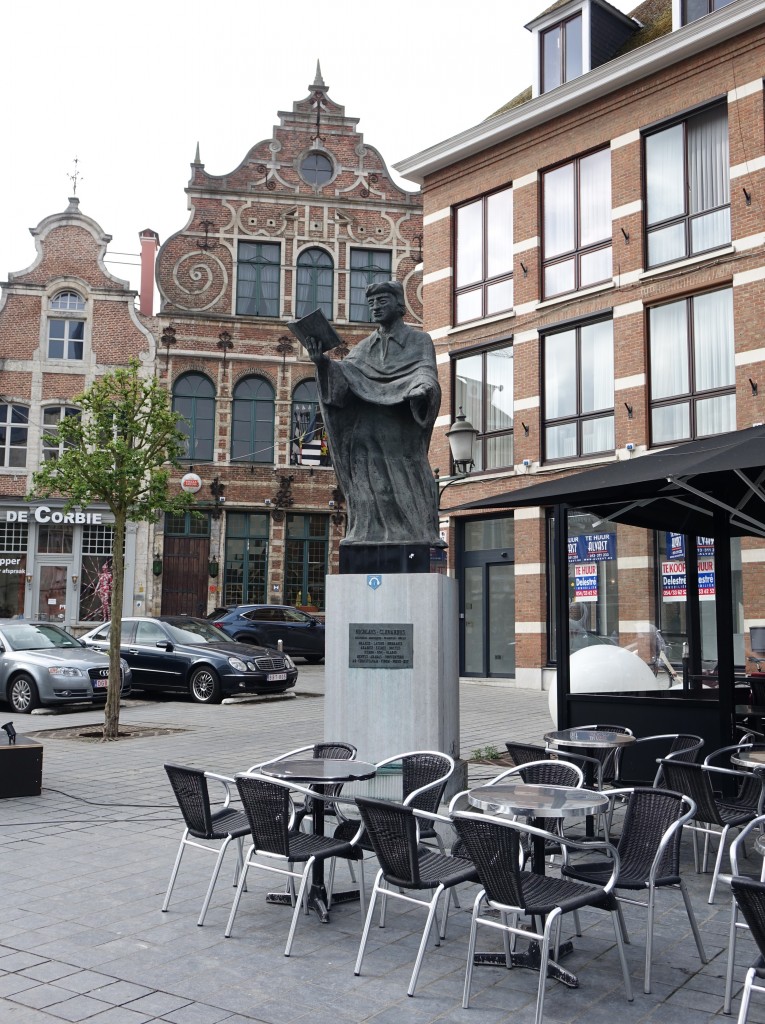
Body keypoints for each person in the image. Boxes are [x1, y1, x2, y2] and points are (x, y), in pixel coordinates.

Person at [303, 280, 442, 548]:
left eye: (382, 301)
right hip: (367, 436)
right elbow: (345, 378)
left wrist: (423, 389)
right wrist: (322, 363)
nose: (375, 308)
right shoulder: (364, 348)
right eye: (371, 303)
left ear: (399, 304)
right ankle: (367, 534)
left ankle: (416, 533)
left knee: (407, 486)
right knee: (369, 487)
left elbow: (426, 372)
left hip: (400, 432)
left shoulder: (419, 341)